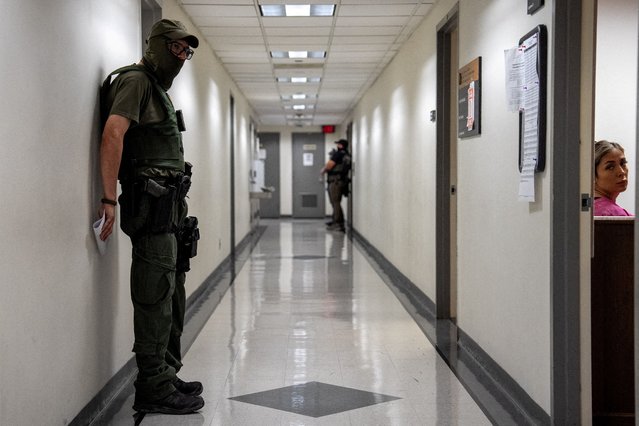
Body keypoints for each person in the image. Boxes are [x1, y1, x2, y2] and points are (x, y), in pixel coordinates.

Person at [98, 19, 204, 414]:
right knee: (154, 293)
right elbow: (113, 134)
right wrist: (109, 198)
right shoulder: (136, 81)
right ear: (158, 45)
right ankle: (152, 385)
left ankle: (165, 371)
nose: (181, 57)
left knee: (173, 290)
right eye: (176, 49)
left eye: (186, 52)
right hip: (151, 205)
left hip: (170, 206)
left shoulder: (156, 89)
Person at [593, 140, 632, 216]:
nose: (621, 172)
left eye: (623, 163)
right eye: (610, 167)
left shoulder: (587, 208)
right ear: (592, 174)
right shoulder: (613, 214)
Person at [320, 139, 351, 232]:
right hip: (341, 181)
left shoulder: (338, 154)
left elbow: (329, 166)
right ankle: (337, 221)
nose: (337, 145)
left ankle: (338, 223)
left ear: (341, 145)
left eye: (338, 144)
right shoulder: (347, 155)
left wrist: (323, 170)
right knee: (336, 202)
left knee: (335, 202)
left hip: (335, 181)